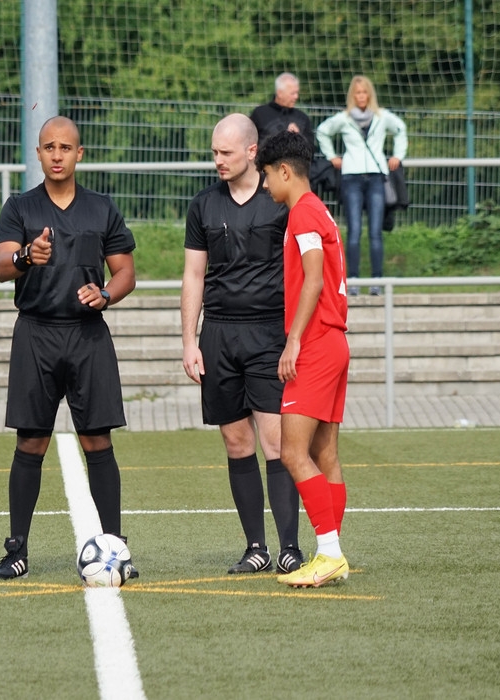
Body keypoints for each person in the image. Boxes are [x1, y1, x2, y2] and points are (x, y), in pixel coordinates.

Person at [0, 115, 139, 581]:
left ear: (79, 154)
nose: (57, 155)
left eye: (65, 147)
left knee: (98, 440)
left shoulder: (101, 208)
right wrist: (25, 256)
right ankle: (16, 551)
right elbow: (0, 266)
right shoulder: (20, 207)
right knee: (30, 441)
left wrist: (105, 294)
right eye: (49, 147)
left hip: (87, 335)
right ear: (38, 153)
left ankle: (115, 548)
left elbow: (126, 272)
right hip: (35, 333)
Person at [181, 114, 303, 576]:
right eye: (214, 152)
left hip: (269, 334)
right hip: (218, 335)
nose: (218, 160)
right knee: (236, 442)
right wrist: (189, 341)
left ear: (252, 151)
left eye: (226, 152)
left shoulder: (280, 201)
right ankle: (256, 547)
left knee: (276, 441)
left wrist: (296, 338)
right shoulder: (202, 205)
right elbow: (194, 275)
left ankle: (289, 547)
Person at [256, 130, 351, 588]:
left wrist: (293, 341)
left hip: (315, 343)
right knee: (324, 453)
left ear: (285, 171)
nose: (264, 185)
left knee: (292, 452)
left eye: (267, 176)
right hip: (334, 341)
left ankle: (329, 553)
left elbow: (313, 279)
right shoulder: (319, 211)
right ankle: (332, 554)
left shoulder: (303, 213)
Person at [316, 75, 407, 296]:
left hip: (376, 177)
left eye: (364, 92)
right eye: (357, 93)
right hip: (351, 177)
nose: (361, 96)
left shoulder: (382, 116)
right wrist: (332, 156)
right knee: (354, 230)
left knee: (375, 231)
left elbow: (400, 129)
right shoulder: (344, 118)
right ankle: (353, 280)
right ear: (352, 95)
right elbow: (322, 131)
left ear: (370, 94)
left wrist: (397, 155)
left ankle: (377, 280)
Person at [250, 72, 314, 148]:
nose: (296, 97)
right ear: (279, 93)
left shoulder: (302, 118)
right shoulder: (260, 114)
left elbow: (311, 147)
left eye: (297, 93)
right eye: (292, 93)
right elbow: (250, 141)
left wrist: (298, 137)